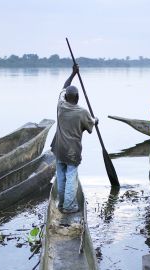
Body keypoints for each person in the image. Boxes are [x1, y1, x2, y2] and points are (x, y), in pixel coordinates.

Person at [50, 64, 97, 214]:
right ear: (77, 98)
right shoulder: (82, 112)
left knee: (61, 176)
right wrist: (96, 120)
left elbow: (64, 87)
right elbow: (90, 125)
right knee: (70, 177)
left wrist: (73, 74)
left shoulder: (60, 105)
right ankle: (68, 207)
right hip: (72, 151)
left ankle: (62, 203)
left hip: (58, 148)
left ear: (66, 97)